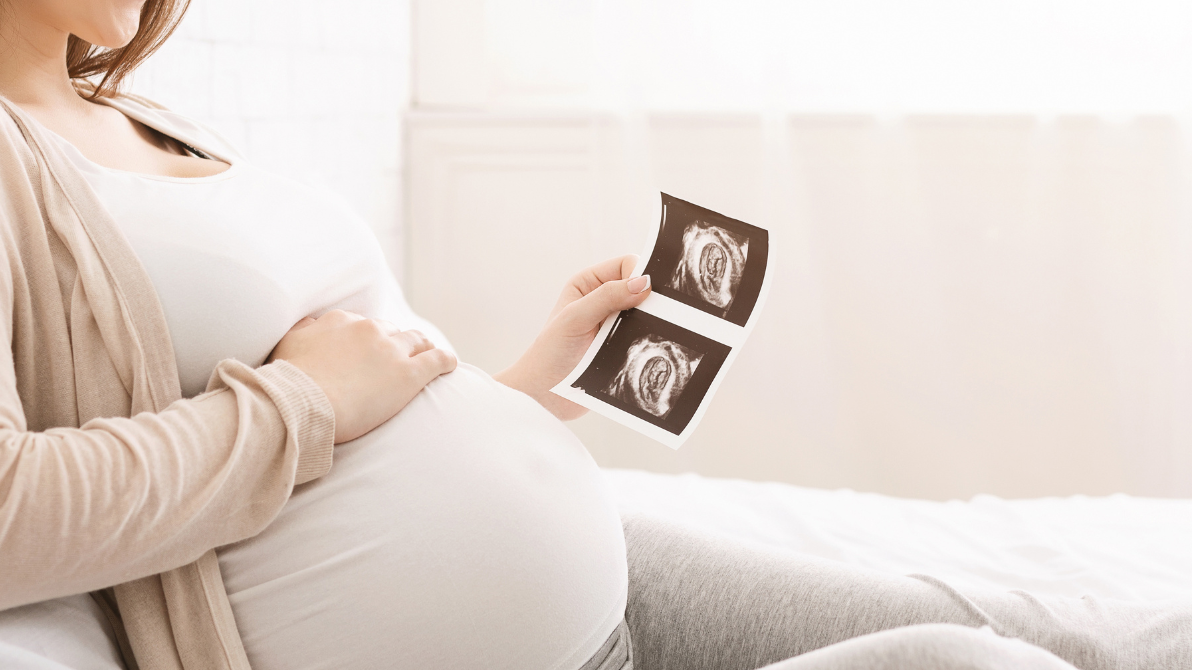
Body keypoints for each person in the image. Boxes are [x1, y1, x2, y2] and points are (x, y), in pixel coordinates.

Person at [0, 1, 1187, 669]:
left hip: (615, 586)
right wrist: (305, 403)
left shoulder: (141, 116)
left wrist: (521, 386)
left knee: (1038, 626)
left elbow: (360, 385)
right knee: (968, 669)